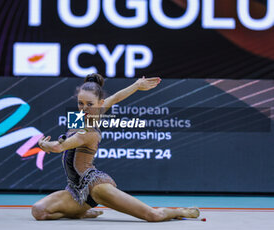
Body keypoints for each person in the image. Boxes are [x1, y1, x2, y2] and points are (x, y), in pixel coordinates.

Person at [33, 73, 200, 221]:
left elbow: (58, 148)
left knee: (153, 216)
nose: (84, 108)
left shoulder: (88, 130)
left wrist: (44, 144)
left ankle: (180, 211)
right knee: (39, 211)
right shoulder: (80, 117)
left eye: (89, 104)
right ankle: (79, 212)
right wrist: (136, 86)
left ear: (100, 103)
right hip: (76, 191)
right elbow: (116, 97)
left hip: (96, 185)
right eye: (80, 103)